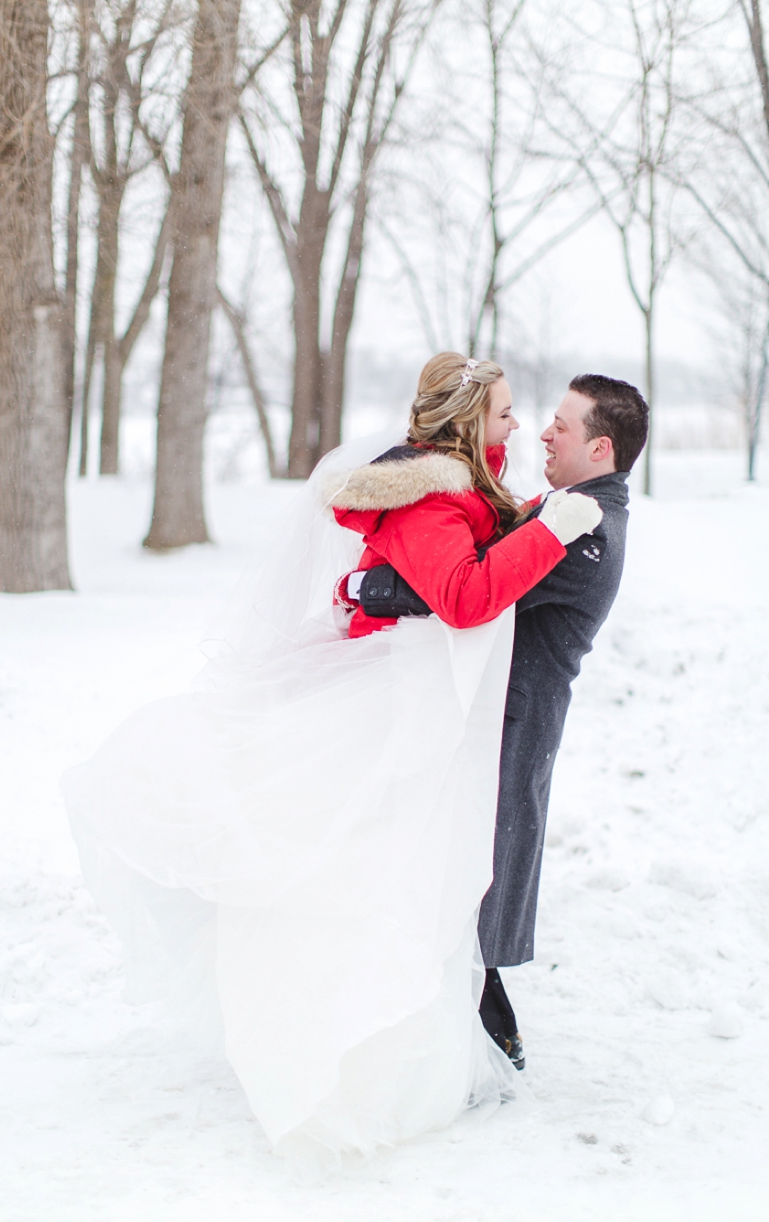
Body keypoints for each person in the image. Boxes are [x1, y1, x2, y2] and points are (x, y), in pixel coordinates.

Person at [61, 353, 603, 1164]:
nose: (517, 426)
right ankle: (347, 1057)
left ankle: (444, 1036)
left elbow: (458, 550)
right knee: (378, 876)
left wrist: (534, 515)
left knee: (415, 873)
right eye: (503, 414)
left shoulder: (459, 481)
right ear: (464, 423)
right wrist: (554, 530)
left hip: (420, 707)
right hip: (389, 710)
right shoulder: (429, 491)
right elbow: (461, 595)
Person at [355, 374, 650, 1068]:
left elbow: (473, 583)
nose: (544, 432)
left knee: (473, 893)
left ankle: (473, 1053)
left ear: (600, 448)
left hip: (512, 728)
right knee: (458, 887)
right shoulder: (567, 507)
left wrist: (369, 587)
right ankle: (462, 1038)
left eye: (562, 425)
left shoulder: (587, 530)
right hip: (483, 720)